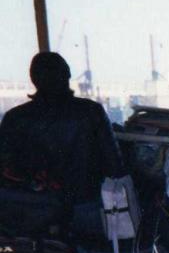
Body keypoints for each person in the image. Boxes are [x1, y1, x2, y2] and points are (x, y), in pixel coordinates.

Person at [0, 52, 124, 235]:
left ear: (34, 80)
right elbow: (115, 167)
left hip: (35, 214)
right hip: (87, 212)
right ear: (67, 75)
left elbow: (6, 171)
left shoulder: (15, 118)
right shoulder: (92, 112)